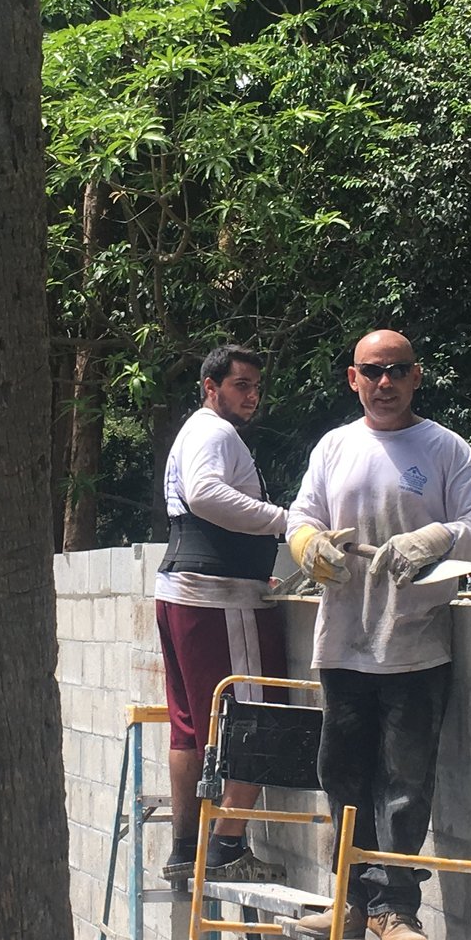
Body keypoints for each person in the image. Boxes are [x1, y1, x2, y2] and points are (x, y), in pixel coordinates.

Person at [285, 330, 471, 940]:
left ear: (416, 377)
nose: (385, 383)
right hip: (344, 643)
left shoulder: (443, 449)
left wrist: (438, 537)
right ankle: (352, 903)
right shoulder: (335, 447)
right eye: (373, 372)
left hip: (414, 645)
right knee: (343, 774)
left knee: (405, 782)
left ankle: (394, 910)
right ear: (353, 378)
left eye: (397, 370)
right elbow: (302, 515)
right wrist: (307, 545)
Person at [153, 344, 292, 888]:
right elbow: (206, 495)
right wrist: (289, 522)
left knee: (191, 725)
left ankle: (186, 849)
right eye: (240, 385)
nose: (252, 396)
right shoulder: (214, 432)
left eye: (257, 386)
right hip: (219, 598)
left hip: (185, 594)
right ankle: (227, 847)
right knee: (261, 714)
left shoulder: (197, 432)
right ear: (210, 387)